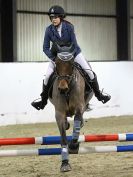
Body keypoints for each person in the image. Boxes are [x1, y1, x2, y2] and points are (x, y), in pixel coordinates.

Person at [31, 5, 111, 110]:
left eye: (55, 17)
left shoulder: (69, 27)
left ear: (61, 17)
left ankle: (99, 95)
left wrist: (70, 58)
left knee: (89, 72)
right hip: (57, 57)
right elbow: (45, 48)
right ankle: (43, 101)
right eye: (51, 17)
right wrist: (54, 59)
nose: (53, 19)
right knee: (47, 77)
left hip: (74, 54)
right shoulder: (49, 30)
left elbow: (74, 44)